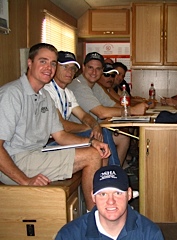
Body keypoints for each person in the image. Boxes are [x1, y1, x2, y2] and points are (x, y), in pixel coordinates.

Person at [0, 43, 110, 211]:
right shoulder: (12, 94)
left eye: (52, 63)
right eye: (43, 61)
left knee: (97, 150)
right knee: (93, 157)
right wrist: (25, 181)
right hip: (15, 162)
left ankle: (97, 208)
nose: (48, 67)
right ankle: (92, 218)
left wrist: (91, 142)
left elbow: (61, 136)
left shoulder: (45, 96)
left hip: (37, 153)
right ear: (29, 63)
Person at [68, 52, 148, 166]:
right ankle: (111, 177)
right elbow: (101, 113)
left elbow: (113, 105)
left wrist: (134, 109)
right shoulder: (78, 86)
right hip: (78, 132)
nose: (94, 72)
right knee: (105, 132)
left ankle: (116, 172)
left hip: (92, 129)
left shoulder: (95, 86)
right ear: (83, 67)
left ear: (101, 71)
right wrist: (132, 111)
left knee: (123, 138)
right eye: (90, 67)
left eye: (98, 69)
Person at [44, 51, 120, 166]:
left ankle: (110, 177)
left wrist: (94, 125)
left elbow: (83, 115)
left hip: (62, 139)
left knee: (101, 136)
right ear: (54, 67)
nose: (69, 71)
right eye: (65, 67)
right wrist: (89, 127)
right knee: (100, 138)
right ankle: (114, 175)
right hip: (48, 143)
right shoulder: (46, 90)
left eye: (72, 68)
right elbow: (63, 125)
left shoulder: (67, 92)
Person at [55, 165, 164, 239]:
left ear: (129, 194)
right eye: (103, 194)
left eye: (117, 193)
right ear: (93, 197)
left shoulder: (149, 234)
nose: (111, 201)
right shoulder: (69, 236)